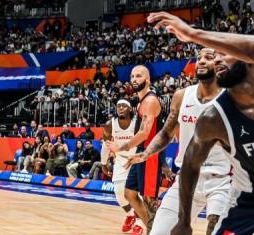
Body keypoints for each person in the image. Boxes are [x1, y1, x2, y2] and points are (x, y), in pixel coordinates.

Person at [145, 13, 254, 235]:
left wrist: (192, 34)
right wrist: (184, 222)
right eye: (210, 57)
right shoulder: (213, 117)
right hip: (244, 199)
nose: (216, 61)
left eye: (224, 54)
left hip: (222, 180)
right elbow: (188, 164)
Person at [125, 48, 230, 235]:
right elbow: (166, 132)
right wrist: (146, 153)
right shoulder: (182, 96)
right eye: (199, 58)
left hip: (222, 180)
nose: (202, 61)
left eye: (209, 57)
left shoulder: (232, 99)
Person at [108, 65, 165, 233]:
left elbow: (144, 133)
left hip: (150, 154)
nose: (134, 79)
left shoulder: (149, 101)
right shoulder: (142, 100)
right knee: (129, 193)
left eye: (139, 76)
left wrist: (121, 147)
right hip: (142, 152)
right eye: (132, 76)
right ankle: (151, 228)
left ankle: (155, 230)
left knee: (149, 201)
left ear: (147, 80)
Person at [102, 100, 139, 233]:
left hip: (137, 159)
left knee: (136, 194)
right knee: (119, 192)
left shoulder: (137, 122)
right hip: (121, 159)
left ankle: (139, 222)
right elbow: (105, 144)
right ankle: (130, 215)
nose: (121, 108)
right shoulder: (110, 124)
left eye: (124, 106)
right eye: (118, 106)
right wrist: (103, 163)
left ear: (130, 109)